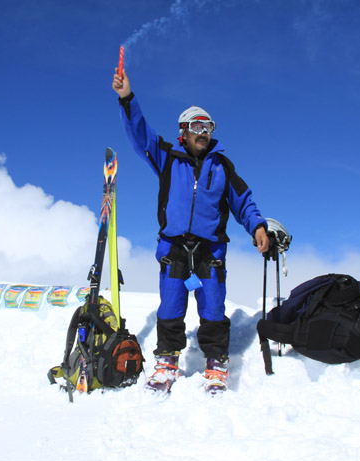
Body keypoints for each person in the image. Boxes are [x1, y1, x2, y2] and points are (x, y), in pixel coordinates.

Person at [112, 67, 270, 395]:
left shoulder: (222, 166)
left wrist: (257, 226)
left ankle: (216, 364)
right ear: (183, 131)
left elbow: (243, 201)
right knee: (170, 306)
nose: (204, 132)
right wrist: (127, 98)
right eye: (197, 126)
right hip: (173, 247)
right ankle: (167, 363)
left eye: (208, 127)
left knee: (213, 306)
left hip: (210, 250)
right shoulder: (168, 158)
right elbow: (141, 135)